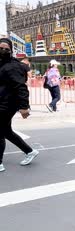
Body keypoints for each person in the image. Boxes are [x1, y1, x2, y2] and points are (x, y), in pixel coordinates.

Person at [0, 38, 39, 172]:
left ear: (11, 50)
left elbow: (21, 87)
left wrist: (24, 107)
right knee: (6, 131)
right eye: (1, 48)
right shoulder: (2, 63)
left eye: (6, 49)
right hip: (2, 101)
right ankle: (29, 151)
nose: (3, 51)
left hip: (8, 104)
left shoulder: (12, 66)